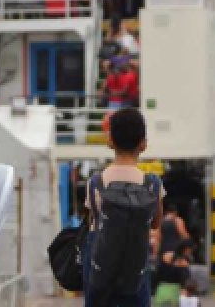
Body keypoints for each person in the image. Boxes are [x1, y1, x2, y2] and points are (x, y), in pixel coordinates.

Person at [84, 108, 165, 307]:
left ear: (110, 141)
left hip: (101, 265)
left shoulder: (96, 182)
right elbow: (155, 223)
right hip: (135, 265)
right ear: (143, 144)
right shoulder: (153, 184)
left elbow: (93, 221)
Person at [153, 240, 193, 307]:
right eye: (190, 251)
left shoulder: (166, 255)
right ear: (186, 249)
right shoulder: (183, 262)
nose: (190, 253)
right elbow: (184, 279)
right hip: (175, 292)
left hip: (161, 290)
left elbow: (157, 274)